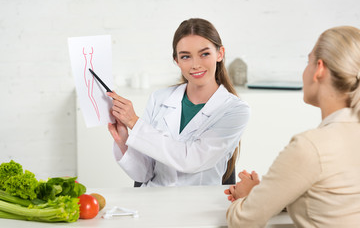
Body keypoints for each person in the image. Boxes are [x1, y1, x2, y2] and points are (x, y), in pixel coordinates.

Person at [225, 26, 360, 227]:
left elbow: (242, 221)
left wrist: (245, 198)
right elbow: (331, 202)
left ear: (319, 69)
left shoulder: (311, 147)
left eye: (308, 62)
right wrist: (265, 194)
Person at [107, 18, 250, 187]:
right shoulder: (159, 99)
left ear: (220, 54)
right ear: (177, 60)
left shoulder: (235, 110)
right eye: (186, 56)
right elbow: (143, 174)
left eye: (204, 54)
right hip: (154, 203)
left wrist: (133, 122)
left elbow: (192, 160)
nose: (196, 64)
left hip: (199, 207)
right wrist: (123, 138)